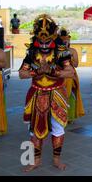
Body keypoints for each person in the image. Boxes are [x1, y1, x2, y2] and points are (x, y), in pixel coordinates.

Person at [19, 14, 74, 172]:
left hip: (56, 94)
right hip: (36, 94)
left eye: (47, 41)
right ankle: (35, 161)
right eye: (41, 41)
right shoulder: (31, 53)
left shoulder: (61, 52)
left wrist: (52, 71)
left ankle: (56, 160)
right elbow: (21, 74)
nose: (43, 45)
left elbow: (70, 72)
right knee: (33, 129)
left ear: (53, 37)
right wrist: (34, 73)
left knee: (58, 128)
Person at [59, 27, 85, 123]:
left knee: (70, 95)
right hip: (59, 74)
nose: (65, 42)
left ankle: (69, 117)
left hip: (70, 75)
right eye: (63, 40)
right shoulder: (57, 51)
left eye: (66, 40)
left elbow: (76, 65)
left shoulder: (72, 51)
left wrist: (69, 58)